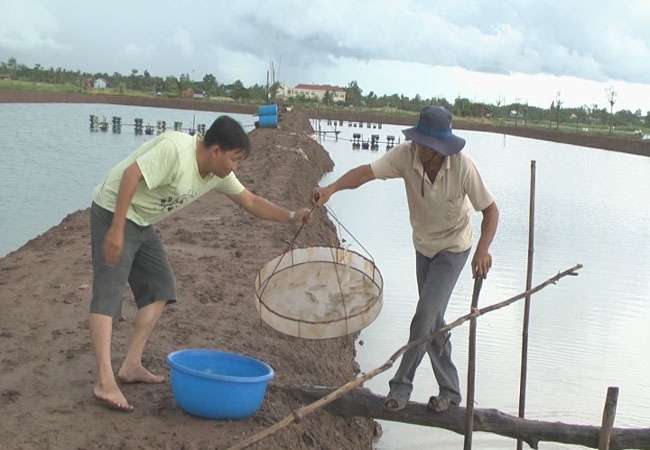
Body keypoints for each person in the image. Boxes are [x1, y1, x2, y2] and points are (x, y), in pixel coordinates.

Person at [89, 115, 311, 412]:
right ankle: (104, 381)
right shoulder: (175, 152)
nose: (235, 167)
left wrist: (292, 216)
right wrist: (115, 229)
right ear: (215, 150)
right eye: (234, 159)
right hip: (113, 210)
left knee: (160, 288)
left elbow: (252, 201)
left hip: (142, 220)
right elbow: (131, 175)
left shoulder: (218, 175)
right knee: (108, 293)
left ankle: (131, 365)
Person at [312, 106, 498, 412]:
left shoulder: (463, 167)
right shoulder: (406, 156)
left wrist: (482, 249)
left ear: (440, 148)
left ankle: (400, 386)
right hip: (423, 246)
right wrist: (331, 188)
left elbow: (491, 211)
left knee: (425, 313)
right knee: (433, 319)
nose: (418, 146)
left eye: (425, 143)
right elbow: (365, 173)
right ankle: (450, 392)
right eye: (418, 140)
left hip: (454, 247)